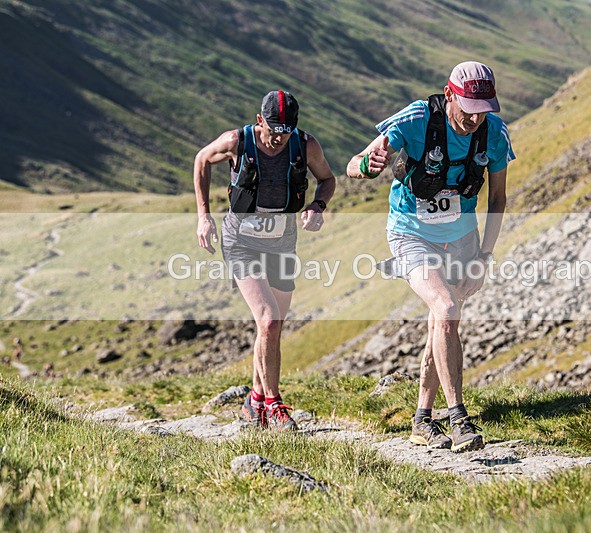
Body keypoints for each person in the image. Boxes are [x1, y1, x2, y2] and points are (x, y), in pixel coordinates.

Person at [346, 61, 514, 452]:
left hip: (462, 239)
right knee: (446, 307)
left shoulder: (495, 134)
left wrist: (484, 256)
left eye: (484, 108)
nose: (476, 118)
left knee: (443, 320)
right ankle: (458, 418)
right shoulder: (417, 118)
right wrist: (367, 170)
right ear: (450, 94)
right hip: (410, 233)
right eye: (469, 107)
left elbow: (499, 199)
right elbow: (355, 164)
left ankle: (422, 418)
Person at [194, 90, 335, 430]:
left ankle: (254, 400)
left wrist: (318, 206)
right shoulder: (236, 141)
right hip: (241, 241)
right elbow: (201, 160)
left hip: (283, 242)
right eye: (273, 129)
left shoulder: (306, 145)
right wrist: (204, 216)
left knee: (272, 328)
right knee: (268, 320)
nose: (278, 137)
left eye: (285, 131)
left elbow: (327, 180)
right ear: (260, 121)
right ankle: (274, 404)